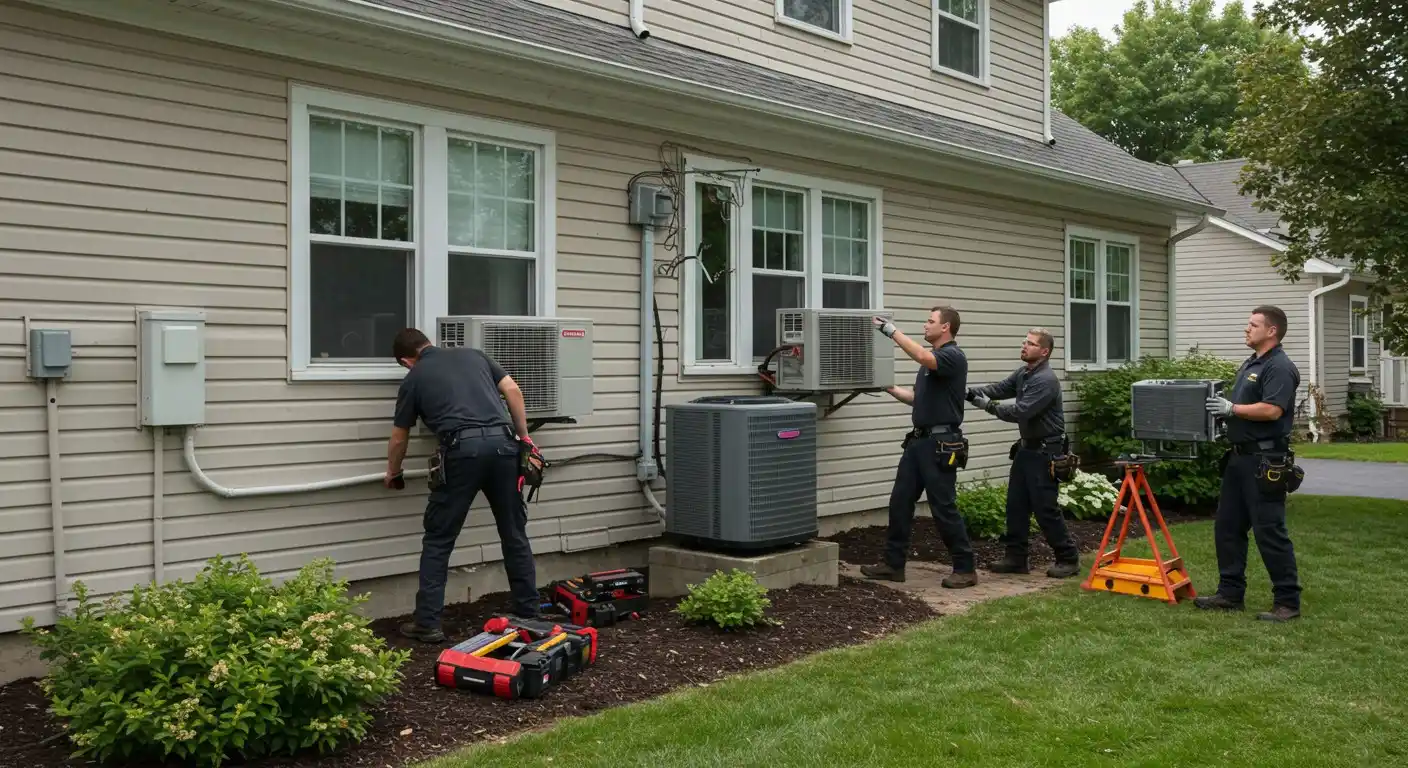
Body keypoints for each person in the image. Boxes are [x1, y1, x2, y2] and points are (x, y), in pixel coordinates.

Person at [383, 328, 541, 643]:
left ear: (406, 360)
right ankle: (528, 612)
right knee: (513, 533)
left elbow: (400, 436)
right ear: (428, 343)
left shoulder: (414, 378)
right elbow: (513, 389)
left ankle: (427, 623)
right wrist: (524, 437)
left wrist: (393, 472)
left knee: (439, 539)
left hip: (461, 453)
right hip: (503, 448)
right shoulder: (474, 355)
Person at [860, 306, 978, 589]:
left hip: (940, 444)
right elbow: (917, 399)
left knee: (943, 507)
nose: (925, 325)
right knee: (900, 502)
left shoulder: (951, 356)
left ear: (946, 327)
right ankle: (893, 565)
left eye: (930, 321)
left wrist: (890, 331)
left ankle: (965, 568)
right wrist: (888, 388)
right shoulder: (931, 365)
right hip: (918, 442)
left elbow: (922, 355)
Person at [1198, 305, 1302, 622]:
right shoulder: (1252, 363)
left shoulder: (1279, 367)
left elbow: (1271, 410)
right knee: (1228, 527)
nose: (1247, 328)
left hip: (1264, 460)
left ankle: (1287, 601)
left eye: (1253, 324)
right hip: (1239, 458)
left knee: (1269, 530)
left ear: (1271, 331)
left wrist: (1232, 409)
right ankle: (1230, 593)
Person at [966, 328, 1081, 578]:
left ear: (1044, 351)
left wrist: (985, 405)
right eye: (1024, 342)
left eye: (1030, 343)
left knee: (1045, 509)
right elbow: (999, 388)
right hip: (1026, 450)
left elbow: (1020, 411)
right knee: (1015, 506)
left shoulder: (1045, 380)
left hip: (1046, 453)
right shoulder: (1024, 373)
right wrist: (968, 391)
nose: (1024, 346)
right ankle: (1016, 558)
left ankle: (1069, 558)